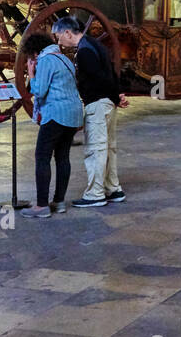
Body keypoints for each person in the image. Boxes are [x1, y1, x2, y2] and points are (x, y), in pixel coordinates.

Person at [50, 16, 128, 208]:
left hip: (98, 105)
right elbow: (111, 71)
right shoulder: (94, 44)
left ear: (68, 32)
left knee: (96, 149)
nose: (59, 41)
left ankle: (95, 194)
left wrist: (116, 96)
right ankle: (113, 189)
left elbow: (100, 78)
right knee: (109, 148)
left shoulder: (84, 51)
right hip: (108, 103)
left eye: (60, 36)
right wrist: (117, 95)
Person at [22, 32, 82, 219]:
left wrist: (31, 73)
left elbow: (39, 91)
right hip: (73, 113)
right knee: (62, 157)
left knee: (42, 156)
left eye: (31, 56)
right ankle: (59, 201)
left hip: (55, 114)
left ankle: (41, 206)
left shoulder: (46, 60)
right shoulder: (65, 59)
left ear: (35, 51)